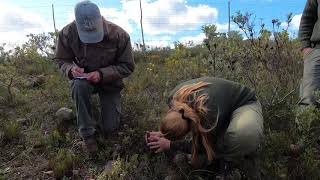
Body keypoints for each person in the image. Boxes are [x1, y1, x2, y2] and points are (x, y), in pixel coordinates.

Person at [54, 1, 134, 153]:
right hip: (84, 81)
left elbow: (128, 66)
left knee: (110, 127)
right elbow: (61, 60)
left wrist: (102, 74)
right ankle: (87, 134)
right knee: (78, 86)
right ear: (76, 23)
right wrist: (71, 69)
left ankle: (99, 114)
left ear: (101, 20)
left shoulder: (119, 35)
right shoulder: (67, 33)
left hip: (110, 83)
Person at [145, 77, 264, 178]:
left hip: (243, 103)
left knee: (243, 136)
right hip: (220, 109)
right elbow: (176, 120)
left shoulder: (208, 114)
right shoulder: (173, 99)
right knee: (201, 156)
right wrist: (163, 133)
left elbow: (206, 146)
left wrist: (170, 144)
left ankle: (230, 166)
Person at [299, 0, 320, 106]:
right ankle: (306, 123)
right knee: (309, 100)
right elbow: (307, 19)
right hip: (317, 51)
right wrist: (306, 47)